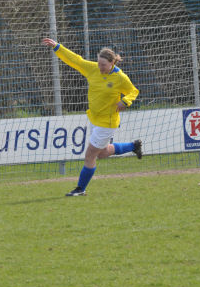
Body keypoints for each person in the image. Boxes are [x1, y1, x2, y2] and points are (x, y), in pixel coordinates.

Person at [41, 38, 143, 196]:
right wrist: (57, 47)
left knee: (89, 155)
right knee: (100, 153)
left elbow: (133, 91)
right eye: (99, 63)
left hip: (107, 122)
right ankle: (133, 146)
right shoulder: (93, 69)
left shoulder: (120, 77)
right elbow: (75, 60)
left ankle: (80, 189)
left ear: (112, 63)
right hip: (95, 119)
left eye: (103, 65)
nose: (100, 67)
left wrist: (125, 101)